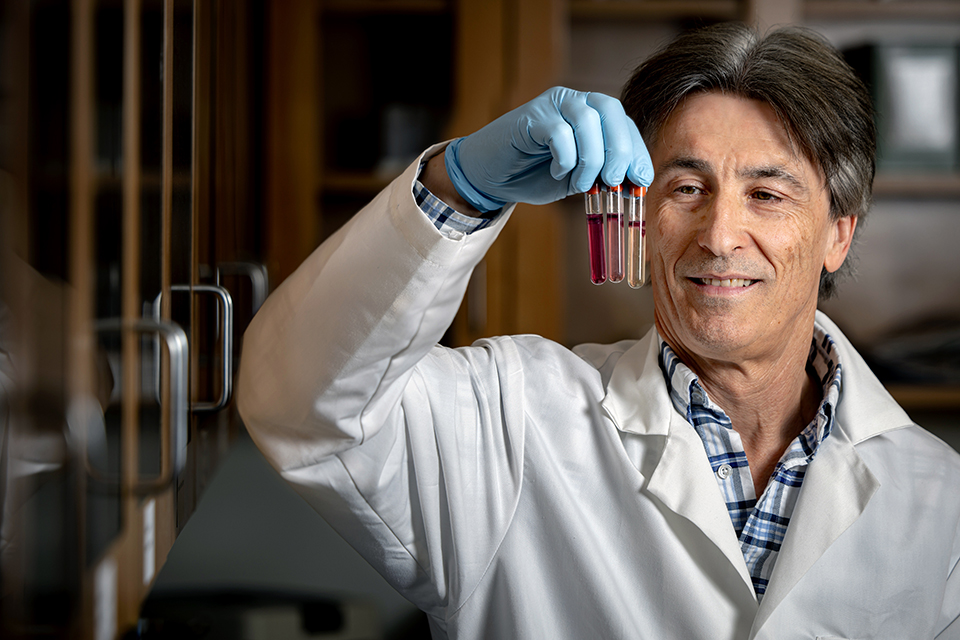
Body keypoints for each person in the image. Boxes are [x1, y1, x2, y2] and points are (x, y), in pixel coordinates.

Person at [237, 22, 960, 639]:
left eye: (766, 194)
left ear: (838, 235)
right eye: (686, 189)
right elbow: (302, 407)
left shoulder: (939, 499)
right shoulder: (511, 422)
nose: (719, 235)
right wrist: (460, 185)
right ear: (639, 219)